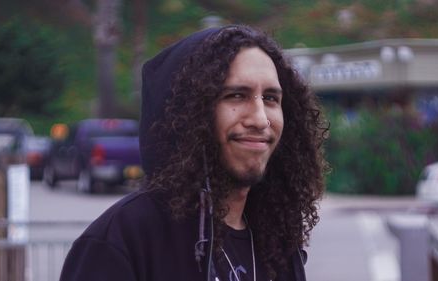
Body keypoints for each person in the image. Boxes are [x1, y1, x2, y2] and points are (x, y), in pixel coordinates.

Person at [60, 24, 327, 281]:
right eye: (236, 95)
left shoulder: (276, 241)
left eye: (270, 98)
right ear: (188, 113)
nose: (260, 119)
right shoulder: (120, 241)